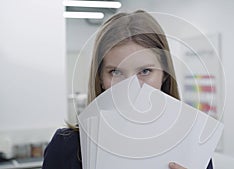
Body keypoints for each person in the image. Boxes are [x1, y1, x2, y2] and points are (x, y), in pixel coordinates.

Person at [42, 10, 213, 169]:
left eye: (145, 71)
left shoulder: (192, 145)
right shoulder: (66, 146)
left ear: (165, 75)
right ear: (100, 78)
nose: (131, 87)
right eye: (116, 72)